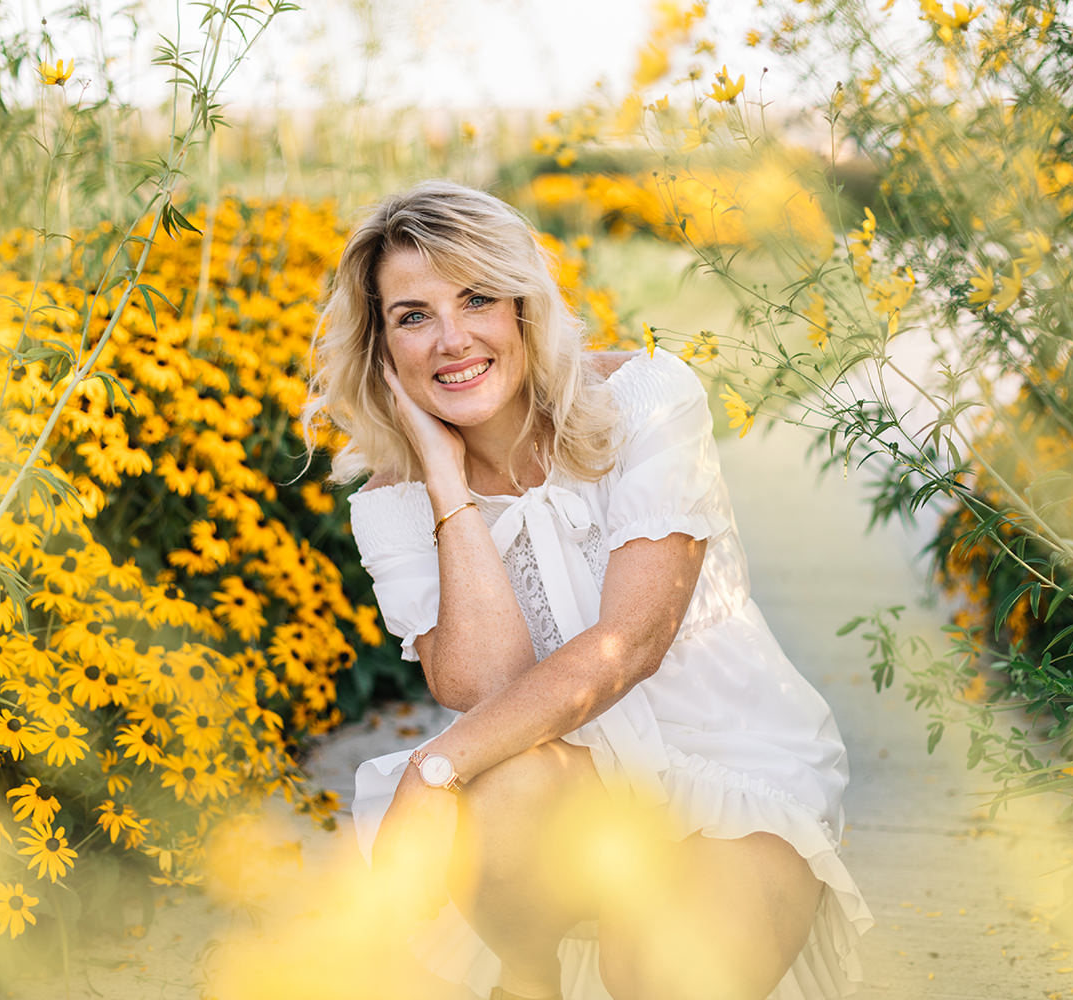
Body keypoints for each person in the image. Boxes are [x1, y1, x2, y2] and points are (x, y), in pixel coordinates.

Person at [307, 179, 872, 1000]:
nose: (452, 339)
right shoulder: (392, 501)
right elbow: (485, 685)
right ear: (382, 348)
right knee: (499, 782)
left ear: (524, 307)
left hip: (730, 767)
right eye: (413, 316)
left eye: (477, 299)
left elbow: (629, 645)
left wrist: (430, 770)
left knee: (659, 974)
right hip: (574, 777)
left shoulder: (645, 397)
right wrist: (444, 479)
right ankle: (526, 977)